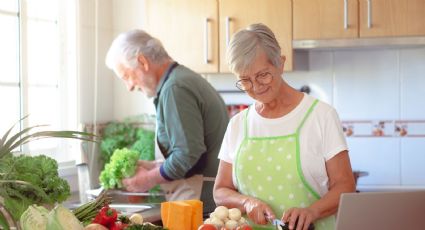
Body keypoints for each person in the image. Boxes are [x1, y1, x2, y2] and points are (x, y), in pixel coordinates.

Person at [213, 23, 356, 230]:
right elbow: (220, 191)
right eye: (245, 80)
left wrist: (312, 211)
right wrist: (246, 202)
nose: (256, 87)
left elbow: (345, 186)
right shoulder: (238, 124)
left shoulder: (321, 116)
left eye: (263, 75)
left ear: (280, 63)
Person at [105, 29, 229, 213]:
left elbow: (188, 155)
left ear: (142, 61)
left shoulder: (175, 89)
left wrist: (147, 179)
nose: (129, 86)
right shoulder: (179, 81)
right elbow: (190, 152)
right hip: (201, 197)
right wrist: (153, 167)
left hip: (201, 202)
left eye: (126, 77)